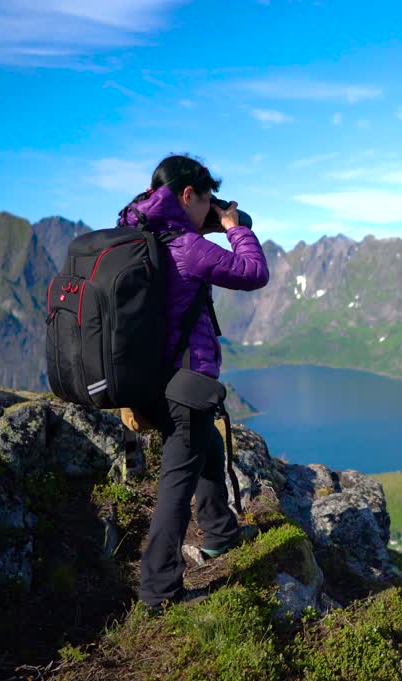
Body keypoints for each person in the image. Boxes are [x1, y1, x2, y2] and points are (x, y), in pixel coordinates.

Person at [117, 154, 270, 608]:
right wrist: (235, 227)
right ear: (187, 195)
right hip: (186, 378)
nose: (209, 210)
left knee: (205, 450)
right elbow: (252, 273)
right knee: (175, 485)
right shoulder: (185, 246)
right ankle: (159, 589)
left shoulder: (141, 234)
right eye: (204, 200)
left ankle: (221, 533)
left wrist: (209, 218)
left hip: (154, 378)